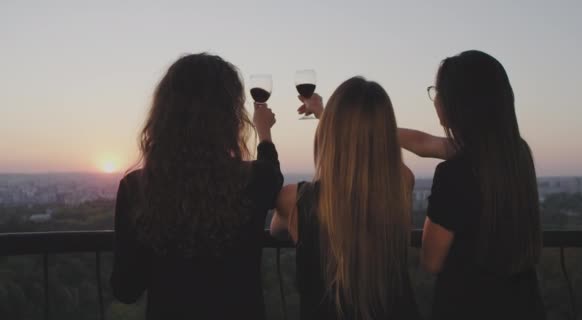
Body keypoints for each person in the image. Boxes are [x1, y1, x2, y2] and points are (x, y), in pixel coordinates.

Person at [110, 53, 283, 320]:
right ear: (231, 117)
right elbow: (272, 177)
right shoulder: (254, 179)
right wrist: (265, 136)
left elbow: (126, 289)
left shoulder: (136, 188)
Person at [399, 50, 545, 319]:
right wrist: (362, 127)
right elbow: (423, 143)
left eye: (437, 91)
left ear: (456, 102)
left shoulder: (453, 173)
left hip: (468, 305)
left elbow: (431, 261)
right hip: (523, 302)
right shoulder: (516, 155)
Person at [271, 77, 420, 320]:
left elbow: (277, 231)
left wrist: (327, 115)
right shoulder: (401, 185)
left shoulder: (294, 200)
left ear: (330, 131)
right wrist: (329, 115)